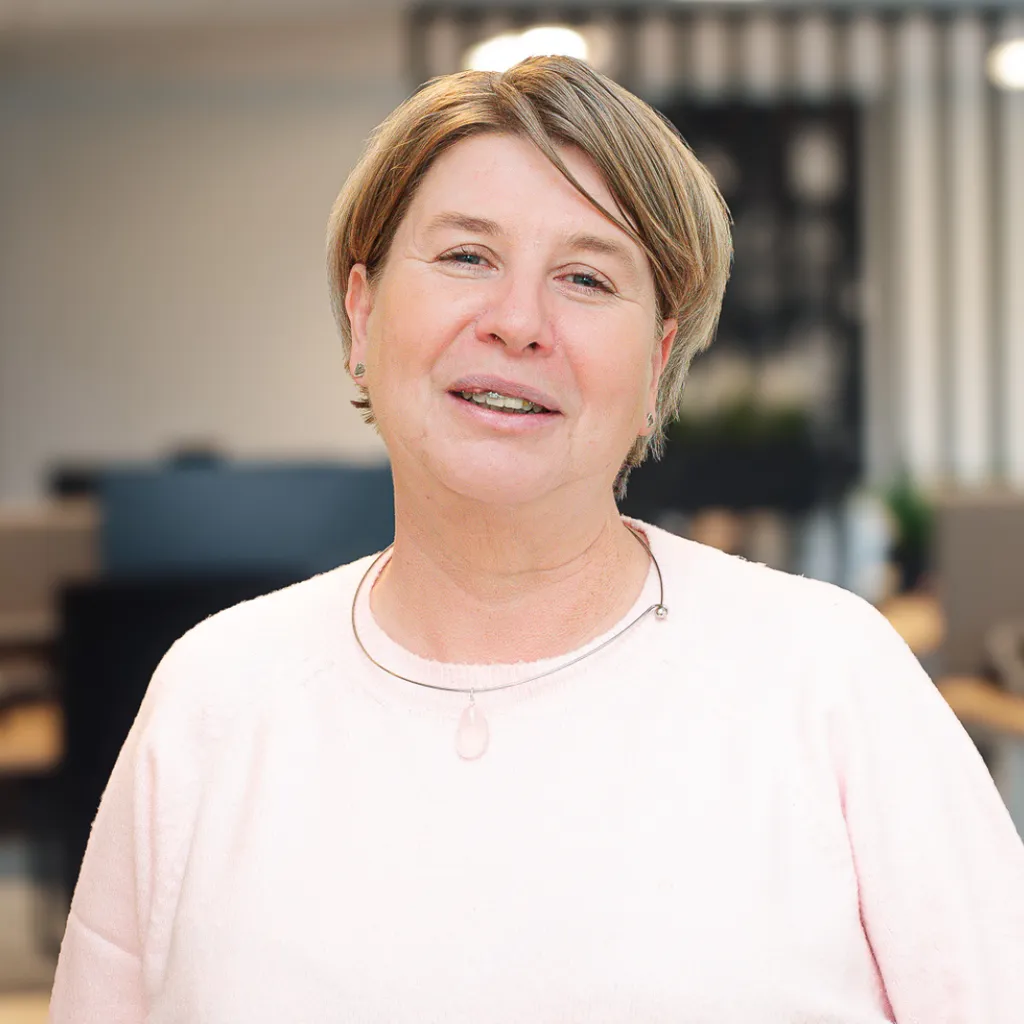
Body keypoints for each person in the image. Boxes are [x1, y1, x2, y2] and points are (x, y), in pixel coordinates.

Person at [50, 56, 1024, 1023]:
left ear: (655, 366)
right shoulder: (212, 700)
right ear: (362, 313)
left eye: (586, 277)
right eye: (466, 256)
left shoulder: (831, 679)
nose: (518, 323)